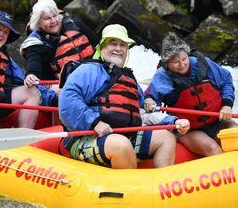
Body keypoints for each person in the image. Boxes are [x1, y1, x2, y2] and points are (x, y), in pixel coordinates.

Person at [59, 24, 189, 169]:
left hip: (124, 135)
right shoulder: (88, 70)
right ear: (102, 47)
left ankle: (160, 186)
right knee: (121, 145)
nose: (118, 48)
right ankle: (131, 189)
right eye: (113, 43)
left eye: (123, 45)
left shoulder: (129, 78)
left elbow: (142, 113)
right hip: (87, 136)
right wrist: (94, 123)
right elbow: (67, 100)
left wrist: (172, 121)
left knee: (166, 137)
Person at [144, 32, 238, 157]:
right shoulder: (162, 76)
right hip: (188, 129)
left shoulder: (203, 64)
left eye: (184, 59)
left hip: (217, 122)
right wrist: (149, 100)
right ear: (167, 63)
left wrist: (227, 105)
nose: (182, 65)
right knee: (213, 149)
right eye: (176, 62)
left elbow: (226, 80)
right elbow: (150, 99)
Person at [21, 0, 99, 92]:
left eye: (55, 16)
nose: (53, 21)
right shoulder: (35, 43)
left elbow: (98, 44)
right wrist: (31, 75)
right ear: (38, 24)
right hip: (65, 85)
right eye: (47, 18)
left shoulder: (75, 24)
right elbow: (33, 63)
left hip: (94, 72)